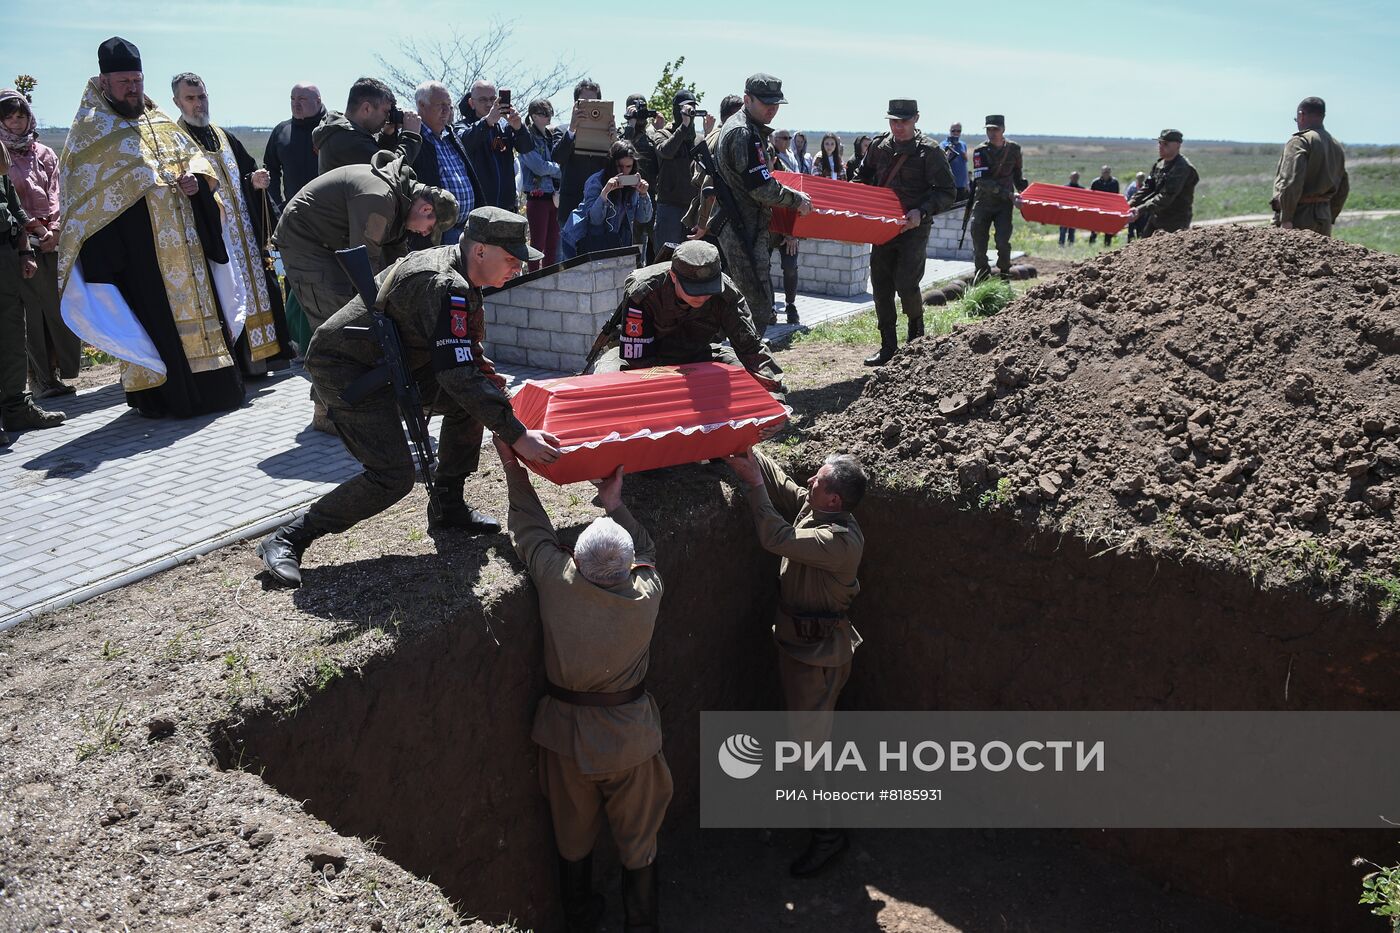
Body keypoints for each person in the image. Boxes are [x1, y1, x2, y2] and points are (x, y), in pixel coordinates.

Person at [257, 207, 561, 587]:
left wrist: (485, 380)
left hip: (395, 361)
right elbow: (456, 373)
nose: (518, 267)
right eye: (512, 259)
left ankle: (447, 505)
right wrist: (518, 434)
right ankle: (288, 537)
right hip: (348, 368)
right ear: (481, 251)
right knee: (392, 476)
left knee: (473, 404)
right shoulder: (441, 282)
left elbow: (463, 350)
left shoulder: (463, 273)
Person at [494, 442, 669, 933]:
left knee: (572, 843)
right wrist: (614, 501)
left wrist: (514, 468)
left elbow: (530, 529)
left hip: (566, 741)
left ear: (574, 558)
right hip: (630, 742)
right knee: (640, 847)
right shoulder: (646, 594)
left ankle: (582, 920)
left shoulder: (557, 581)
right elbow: (648, 550)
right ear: (631, 568)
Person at [57, 37, 245, 419]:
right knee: (155, 321)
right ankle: (165, 398)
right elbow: (79, 195)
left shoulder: (158, 120)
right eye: (124, 81)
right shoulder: (89, 132)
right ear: (104, 82)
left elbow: (196, 162)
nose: (133, 88)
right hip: (139, 250)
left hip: (188, 245)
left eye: (138, 80)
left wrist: (196, 182)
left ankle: (217, 390)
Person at [723, 445, 867, 878]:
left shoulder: (838, 541)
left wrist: (751, 483)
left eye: (817, 482)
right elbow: (783, 482)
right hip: (800, 651)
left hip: (817, 660)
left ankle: (827, 838)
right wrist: (746, 445)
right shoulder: (820, 510)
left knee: (810, 753)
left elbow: (776, 538)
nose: (809, 483)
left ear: (834, 501)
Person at [171, 73, 292, 377]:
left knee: (258, 288)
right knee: (226, 295)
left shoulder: (224, 136)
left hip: (245, 234)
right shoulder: (176, 142)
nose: (198, 104)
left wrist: (255, 181)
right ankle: (239, 364)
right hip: (214, 237)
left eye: (202, 97)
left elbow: (246, 173)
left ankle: (264, 360)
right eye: (190, 98)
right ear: (177, 101)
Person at [585, 239, 786, 402]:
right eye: (695, 289)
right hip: (642, 358)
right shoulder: (644, 290)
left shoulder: (727, 293)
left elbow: (751, 349)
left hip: (695, 354)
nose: (702, 296)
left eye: (709, 289)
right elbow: (638, 360)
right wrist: (676, 389)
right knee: (605, 378)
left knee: (739, 372)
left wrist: (774, 399)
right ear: (673, 276)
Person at [855, 100, 956, 366]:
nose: (898, 127)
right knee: (881, 285)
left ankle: (916, 341)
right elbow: (861, 177)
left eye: (904, 121)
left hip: (914, 227)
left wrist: (921, 212)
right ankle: (888, 346)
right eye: (893, 121)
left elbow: (947, 191)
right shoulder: (879, 147)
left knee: (906, 283)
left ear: (916, 119)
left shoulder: (930, 151)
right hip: (883, 227)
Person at [713, 74, 812, 329]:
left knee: (753, 302)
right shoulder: (743, 132)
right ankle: (746, 363)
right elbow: (760, 188)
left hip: (747, 225)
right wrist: (795, 199)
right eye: (766, 103)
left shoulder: (748, 128)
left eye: (776, 103)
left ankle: (746, 360)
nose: (773, 109)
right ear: (747, 99)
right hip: (742, 227)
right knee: (756, 304)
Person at [1, 88, 80, 399]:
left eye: (20, 116)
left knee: (59, 310)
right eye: (8, 116)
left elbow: (57, 192)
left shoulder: (45, 154)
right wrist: (34, 228)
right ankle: (41, 378)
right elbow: (10, 200)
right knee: (32, 315)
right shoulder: (0, 155)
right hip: (22, 243)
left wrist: (56, 230)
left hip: (53, 241)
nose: (16, 122)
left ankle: (59, 372)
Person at [2, 139, 65, 444]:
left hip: (6, 257)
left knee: (13, 334)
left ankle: (16, 408)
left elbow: (12, 205)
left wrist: (26, 250)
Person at [411, 81, 482, 247]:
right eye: (441, 105)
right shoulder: (414, 138)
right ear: (422, 105)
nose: (446, 111)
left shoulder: (451, 136)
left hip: (466, 229)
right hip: (435, 234)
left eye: (449, 106)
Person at [560, 140, 653, 260]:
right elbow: (595, 220)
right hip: (579, 240)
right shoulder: (596, 181)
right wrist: (605, 193)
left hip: (608, 242)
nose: (624, 171)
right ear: (612, 163)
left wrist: (644, 195)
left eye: (628, 166)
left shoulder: (633, 185)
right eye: (620, 166)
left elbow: (644, 218)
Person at [1272, 97, 1349, 236]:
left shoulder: (1300, 142)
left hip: (1299, 216)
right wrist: (1329, 215)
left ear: (1301, 115)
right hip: (1324, 217)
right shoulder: (1336, 146)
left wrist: (1286, 218)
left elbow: (1291, 181)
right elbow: (1343, 187)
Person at [313, 77, 422, 175]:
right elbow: (392, 172)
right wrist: (411, 137)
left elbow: (374, 159)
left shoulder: (342, 132)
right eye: (385, 112)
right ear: (367, 109)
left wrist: (387, 136)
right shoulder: (347, 138)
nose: (387, 118)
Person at [968, 114, 1028, 282]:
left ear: (1003, 129)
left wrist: (1027, 194)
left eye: (996, 129)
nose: (992, 133)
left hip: (1003, 205)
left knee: (1002, 242)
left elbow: (1018, 176)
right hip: (984, 202)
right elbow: (983, 181)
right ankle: (982, 278)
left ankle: (1004, 276)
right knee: (979, 244)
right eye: (989, 129)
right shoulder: (980, 151)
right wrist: (1009, 194)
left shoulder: (1014, 149)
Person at [458, 79, 530, 211]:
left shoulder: (505, 126)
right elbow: (465, 144)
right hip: (478, 208)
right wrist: (487, 122)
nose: (489, 104)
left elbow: (526, 148)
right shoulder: (462, 126)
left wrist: (519, 128)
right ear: (471, 103)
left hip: (506, 207)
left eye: (493, 99)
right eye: (483, 100)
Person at [683, 94, 743, 245]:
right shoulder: (726, 139)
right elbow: (711, 182)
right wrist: (703, 223)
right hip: (717, 217)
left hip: (710, 214)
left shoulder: (712, 135)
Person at [552, 78, 611, 221]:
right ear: (575, 105)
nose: (589, 107)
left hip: (599, 204)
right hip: (570, 207)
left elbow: (618, 165)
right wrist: (572, 128)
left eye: (594, 103)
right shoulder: (562, 130)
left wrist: (613, 140)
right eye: (584, 102)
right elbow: (558, 157)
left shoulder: (608, 132)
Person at [653, 91, 701, 251]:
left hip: (693, 210)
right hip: (669, 207)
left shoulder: (699, 139)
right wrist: (684, 126)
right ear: (677, 110)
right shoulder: (662, 134)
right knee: (665, 259)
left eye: (692, 107)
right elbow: (667, 151)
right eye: (685, 108)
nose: (690, 111)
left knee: (692, 262)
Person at [1128, 129, 1199, 237]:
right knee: (1143, 248)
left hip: (1175, 221)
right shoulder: (1159, 164)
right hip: (1157, 216)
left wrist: (1140, 210)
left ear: (1178, 146)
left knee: (1169, 252)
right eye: (1160, 143)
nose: (1161, 146)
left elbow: (1166, 196)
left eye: (1165, 144)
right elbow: (1148, 187)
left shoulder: (1182, 167)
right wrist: (1130, 203)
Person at [264, 83, 323, 207]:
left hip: (330, 213)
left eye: (302, 99)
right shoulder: (281, 131)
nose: (295, 104)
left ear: (318, 101)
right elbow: (270, 169)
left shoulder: (331, 129)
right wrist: (276, 205)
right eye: (292, 99)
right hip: (294, 212)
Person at [521, 99, 563, 270]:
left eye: (550, 113)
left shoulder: (549, 136)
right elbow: (538, 167)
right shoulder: (527, 138)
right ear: (533, 116)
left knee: (552, 244)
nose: (548, 117)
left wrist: (553, 169)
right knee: (537, 245)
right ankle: (532, 280)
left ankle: (549, 280)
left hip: (553, 196)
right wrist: (559, 169)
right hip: (537, 197)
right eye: (544, 114)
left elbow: (547, 165)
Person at [621, 94, 663, 263]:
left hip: (650, 197)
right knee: (631, 250)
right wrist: (630, 124)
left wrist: (660, 129)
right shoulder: (623, 134)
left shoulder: (654, 136)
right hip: (626, 199)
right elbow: (621, 152)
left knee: (656, 249)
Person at [768, 129, 803, 323]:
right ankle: (770, 307)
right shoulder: (759, 175)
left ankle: (790, 305)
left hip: (788, 230)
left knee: (790, 267)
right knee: (763, 267)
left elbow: (796, 202)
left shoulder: (789, 174)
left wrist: (792, 233)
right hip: (767, 229)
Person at [1087, 165, 1121, 246]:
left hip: (1109, 208)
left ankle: (1107, 245)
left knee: (1108, 228)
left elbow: (1116, 195)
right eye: (1104, 172)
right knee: (1094, 227)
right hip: (1097, 208)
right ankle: (1091, 244)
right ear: (1101, 173)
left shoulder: (1114, 182)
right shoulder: (1095, 182)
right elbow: (1091, 196)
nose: (1106, 173)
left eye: (1107, 172)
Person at [943, 123, 969, 202]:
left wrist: (967, 183)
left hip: (961, 184)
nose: (956, 133)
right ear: (950, 131)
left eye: (958, 131)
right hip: (950, 184)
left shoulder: (963, 145)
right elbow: (942, 163)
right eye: (953, 131)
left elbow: (965, 164)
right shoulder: (944, 145)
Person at [1058, 171, 1083, 247]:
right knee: (1063, 230)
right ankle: (1061, 245)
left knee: (1072, 231)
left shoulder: (1081, 189)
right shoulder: (1065, 188)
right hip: (1064, 212)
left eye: (1076, 177)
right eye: (1073, 177)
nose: (1075, 179)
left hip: (1074, 213)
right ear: (1070, 177)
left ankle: (1070, 245)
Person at [1123, 171, 1146, 241]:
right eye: (1139, 178)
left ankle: (1139, 242)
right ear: (1136, 178)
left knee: (1141, 228)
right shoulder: (1132, 187)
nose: (1140, 179)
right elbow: (1127, 197)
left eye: (1142, 178)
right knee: (1131, 229)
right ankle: (1129, 243)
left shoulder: (1145, 186)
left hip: (1141, 210)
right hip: (1132, 210)